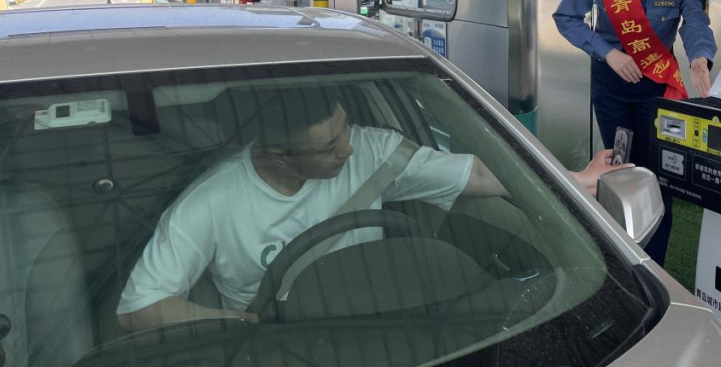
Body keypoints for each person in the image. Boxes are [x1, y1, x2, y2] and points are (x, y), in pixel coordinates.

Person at [116, 89, 629, 331]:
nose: (347, 149)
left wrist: (575, 181)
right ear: (277, 155)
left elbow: (475, 175)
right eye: (328, 147)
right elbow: (140, 308)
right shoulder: (211, 202)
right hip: (281, 335)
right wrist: (242, 321)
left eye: (345, 129)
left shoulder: (372, 148)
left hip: (385, 319)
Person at [553, 0, 717, 266]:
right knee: (618, 170)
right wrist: (607, 52)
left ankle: (654, 266)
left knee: (660, 178)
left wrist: (700, 58)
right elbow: (566, 17)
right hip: (611, 88)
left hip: (657, 92)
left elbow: (695, 24)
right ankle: (618, 257)